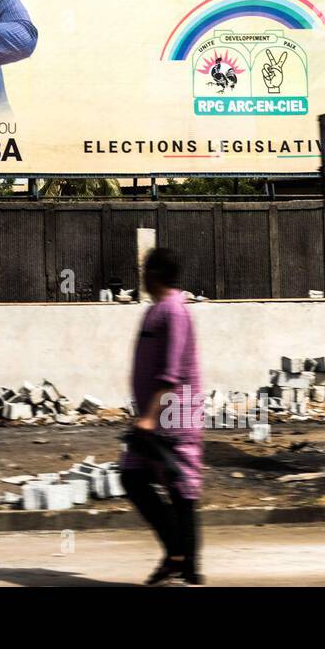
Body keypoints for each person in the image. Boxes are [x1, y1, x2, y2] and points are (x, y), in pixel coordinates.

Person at [121, 247, 204, 586]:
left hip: (173, 417)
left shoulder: (174, 311)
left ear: (154, 273)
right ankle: (180, 558)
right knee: (135, 478)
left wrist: (149, 417)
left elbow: (171, 373)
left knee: (180, 490)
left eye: (144, 269)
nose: (141, 275)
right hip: (156, 416)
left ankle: (184, 562)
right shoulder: (157, 310)